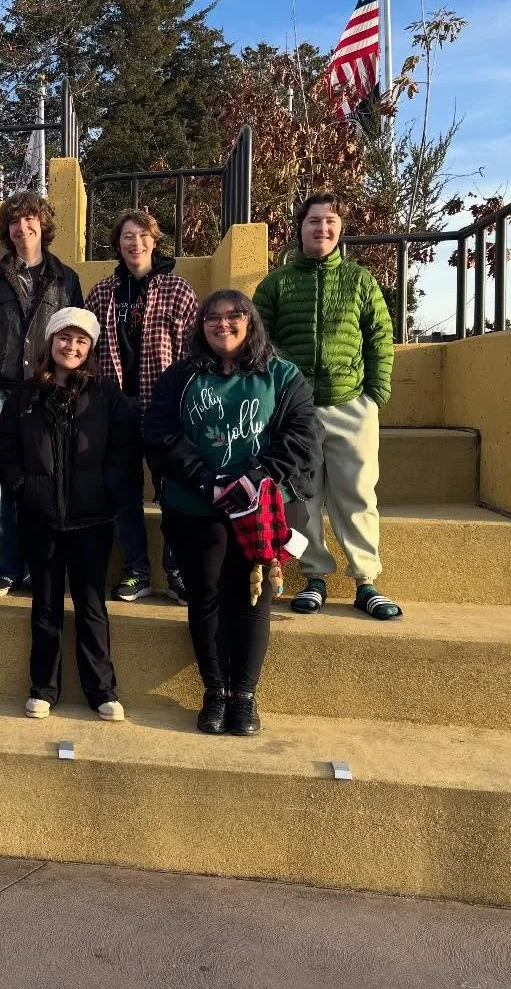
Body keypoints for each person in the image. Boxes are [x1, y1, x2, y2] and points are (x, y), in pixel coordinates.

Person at [144, 290, 321, 736]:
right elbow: (161, 435)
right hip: (196, 507)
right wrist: (209, 480)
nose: (223, 324)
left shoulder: (282, 375)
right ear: (200, 325)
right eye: (212, 317)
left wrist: (255, 477)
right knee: (205, 597)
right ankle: (214, 691)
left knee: (252, 599)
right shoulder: (180, 377)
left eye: (234, 315)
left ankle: (244, 695)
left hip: (262, 508)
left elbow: (304, 438)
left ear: (251, 321)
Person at [253, 192, 400, 620]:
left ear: (339, 228)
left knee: (357, 493)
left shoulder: (360, 281)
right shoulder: (276, 284)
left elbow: (379, 338)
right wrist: (274, 397)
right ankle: (313, 576)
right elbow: (258, 343)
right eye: (314, 221)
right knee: (304, 497)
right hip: (296, 411)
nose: (322, 228)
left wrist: (375, 395)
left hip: (352, 404)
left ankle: (366, 580)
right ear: (300, 229)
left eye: (330, 221)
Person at [0, 307, 137, 721]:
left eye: (80, 341)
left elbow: (125, 449)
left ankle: (102, 690)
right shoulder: (25, 395)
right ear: (50, 342)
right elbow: (6, 446)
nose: (71, 347)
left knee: (92, 606)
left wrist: (107, 491)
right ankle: (43, 687)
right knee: (45, 605)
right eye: (63, 337)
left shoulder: (106, 394)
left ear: (90, 348)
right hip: (40, 518)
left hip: (93, 520)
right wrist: (22, 488)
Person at [0, 191, 83, 596]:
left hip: (46, 391)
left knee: (43, 479)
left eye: (29, 219)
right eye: (14, 221)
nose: (22, 227)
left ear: (43, 225)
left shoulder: (67, 278)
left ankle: (37, 567)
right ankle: (3, 568)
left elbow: (78, 333)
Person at [84, 209, 199, 605]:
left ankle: (177, 570)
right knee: (123, 491)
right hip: (116, 407)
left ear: (154, 241)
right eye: (127, 236)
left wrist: (185, 402)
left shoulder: (178, 290)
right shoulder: (102, 293)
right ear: (117, 244)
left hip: (165, 407)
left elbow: (193, 352)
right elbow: (87, 350)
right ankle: (137, 570)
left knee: (172, 490)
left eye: (142, 235)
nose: (135, 243)